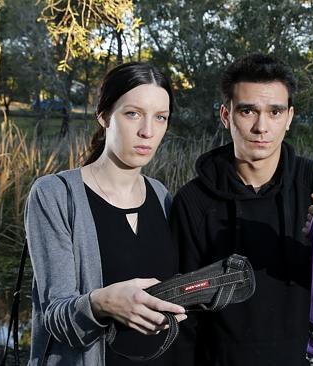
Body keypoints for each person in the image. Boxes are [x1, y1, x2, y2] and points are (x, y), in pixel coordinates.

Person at [170, 53, 313, 366]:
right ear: (227, 116)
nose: (261, 126)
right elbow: (183, 318)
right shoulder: (193, 201)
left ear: (290, 117)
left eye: (275, 111)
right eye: (248, 110)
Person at [25, 62, 187, 365]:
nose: (147, 131)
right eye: (132, 114)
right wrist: (102, 303)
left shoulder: (162, 195)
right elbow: (54, 318)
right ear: (103, 115)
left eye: (160, 117)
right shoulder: (55, 194)